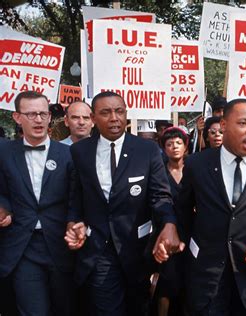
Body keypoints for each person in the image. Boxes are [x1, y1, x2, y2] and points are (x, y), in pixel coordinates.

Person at [64, 91, 183, 315]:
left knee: (138, 306)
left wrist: (169, 223)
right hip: (99, 249)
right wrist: (73, 222)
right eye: (106, 112)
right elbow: (76, 197)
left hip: (137, 248)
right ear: (93, 117)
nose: (114, 118)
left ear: (126, 114)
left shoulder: (147, 150)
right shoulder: (79, 151)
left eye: (119, 111)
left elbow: (160, 196)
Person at [176, 99, 246, 315]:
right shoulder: (197, 165)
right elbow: (181, 212)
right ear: (224, 126)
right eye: (244, 123)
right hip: (206, 279)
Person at [0, 91, 75, 315]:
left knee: (65, 309)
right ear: (17, 117)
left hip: (61, 244)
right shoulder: (4, 153)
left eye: (43, 113)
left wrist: (75, 223)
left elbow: (77, 197)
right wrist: (4, 207)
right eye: (31, 114)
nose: (39, 120)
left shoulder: (70, 154)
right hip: (23, 245)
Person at [155, 127, 189, 316]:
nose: (174, 147)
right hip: (165, 232)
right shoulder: (158, 172)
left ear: (185, 146)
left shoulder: (195, 169)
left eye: (178, 143)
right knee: (166, 283)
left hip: (191, 232)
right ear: (164, 148)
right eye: (169, 144)